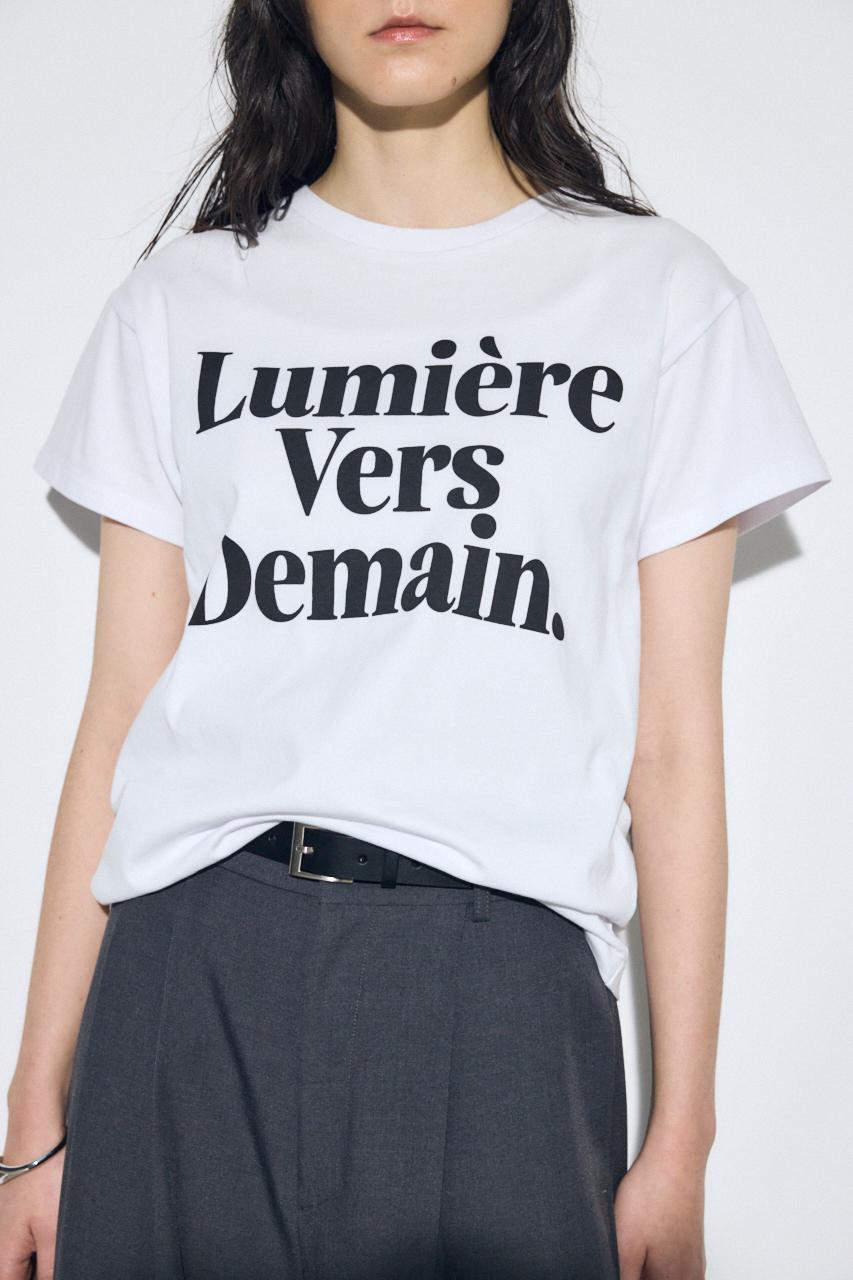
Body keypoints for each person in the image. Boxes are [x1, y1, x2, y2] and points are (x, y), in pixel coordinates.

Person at [1, 1, 833, 1277]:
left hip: (502, 986)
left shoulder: (661, 295)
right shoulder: (181, 300)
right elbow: (120, 709)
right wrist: (33, 1111)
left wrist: (682, 1136)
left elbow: (672, 747)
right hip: (192, 964)